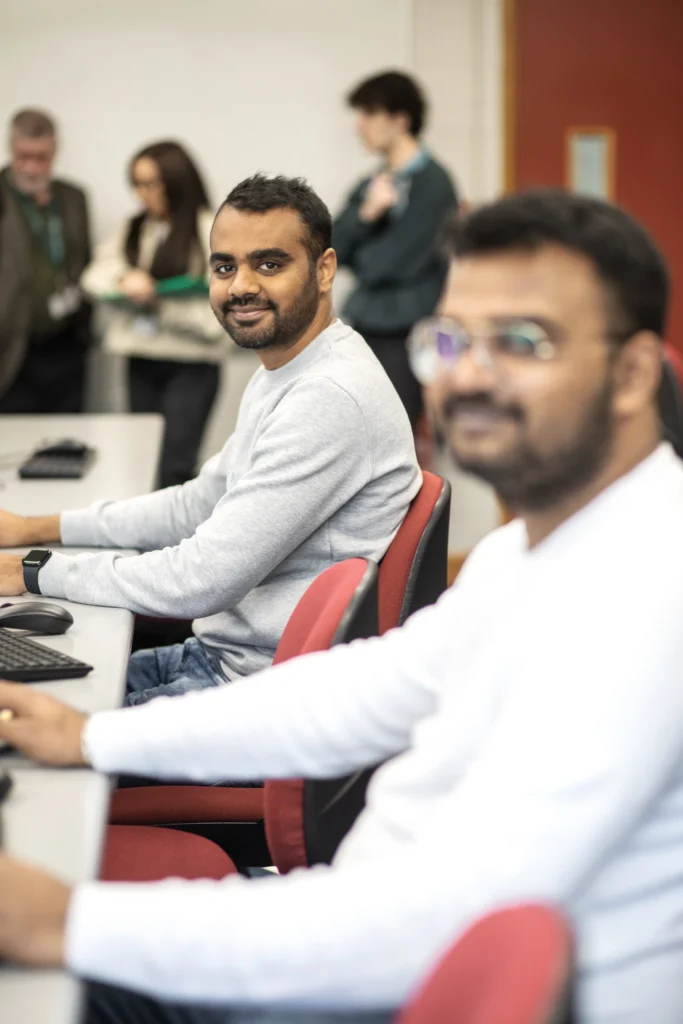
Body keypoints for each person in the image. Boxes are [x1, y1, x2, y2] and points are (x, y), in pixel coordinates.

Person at [0, 189, 680, 1023]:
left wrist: (69, 922)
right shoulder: (525, 553)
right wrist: (91, 733)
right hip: (355, 936)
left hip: (390, 988)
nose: (468, 373)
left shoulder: (644, 595)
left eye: (522, 342)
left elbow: (433, 926)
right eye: (452, 339)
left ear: (634, 374)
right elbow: (363, 689)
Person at [0, 174, 420, 706]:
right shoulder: (284, 371)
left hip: (259, 702)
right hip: (218, 661)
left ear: (324, 270)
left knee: (31, 738)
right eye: (225, 266)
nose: (240, 285)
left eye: (269, 264)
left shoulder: (329, 396)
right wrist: (34, 529)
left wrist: (31, 570)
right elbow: (198, 504)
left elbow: (203, 579)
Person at [81, 141, 225, 488]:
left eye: (151, 184)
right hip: (142, 358)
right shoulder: (133, 227)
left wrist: (159, 304)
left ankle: (179, 543)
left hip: (191, 364)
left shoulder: (211, 229)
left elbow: (219, 316)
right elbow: (93, 276)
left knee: (174, 467)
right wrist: (124, 279)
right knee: (142, 461)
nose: (141, 194)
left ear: (177, 182)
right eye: (137, 184)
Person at [333, 71, 458, 428]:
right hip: (365, 326)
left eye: (370, 115)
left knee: (392, 433)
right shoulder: (373, 184)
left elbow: (389, 264)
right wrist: (367, 214)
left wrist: (362, 252)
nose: (360, 126)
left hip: (405, 333)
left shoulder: (434, 185)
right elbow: (333, 249)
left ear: (401, 120)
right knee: (358, 430)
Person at [0, 108, 92, 412]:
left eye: (42, 158)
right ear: (10, 148)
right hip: (12, 348)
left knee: (66, 446)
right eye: (23, 156)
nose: (31, 167)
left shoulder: (73, 197)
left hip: (66, 345)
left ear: (55, 152)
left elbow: (84, 261)